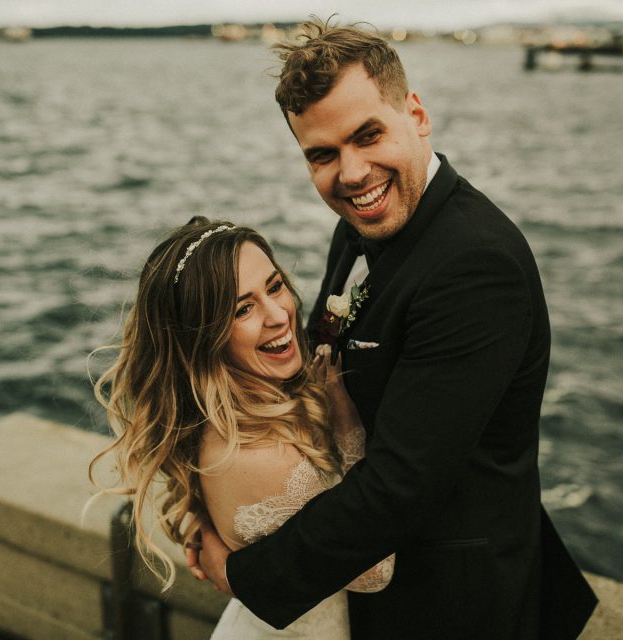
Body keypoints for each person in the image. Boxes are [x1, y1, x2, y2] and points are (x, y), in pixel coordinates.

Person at [187, 17, 599, 639]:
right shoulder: (358, 225)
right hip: (364, 584)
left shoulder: (475, 265)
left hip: (450, 604)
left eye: (368, 135)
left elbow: (400, 486)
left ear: (417, 115)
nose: (351, 173)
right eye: (323, 154)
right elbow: (321, 370)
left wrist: (245, 573)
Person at [91, 217, 394, 639]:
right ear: (203, 338)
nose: (278, 315)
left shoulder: (235, 411)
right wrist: (348, 425)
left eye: (275, 286)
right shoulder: (262, 454)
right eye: (242, 309)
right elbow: (375, 571)